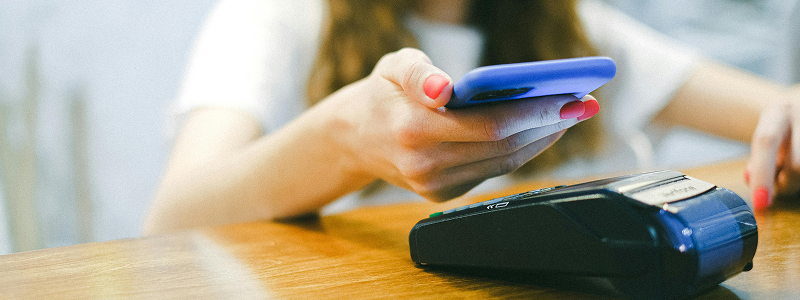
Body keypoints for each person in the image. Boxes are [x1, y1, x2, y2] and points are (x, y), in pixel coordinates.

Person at [143, 0, 800, 235]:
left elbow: (776, 106)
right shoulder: (278, 18)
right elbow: (173, 219)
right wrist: (342, 139)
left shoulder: (570, 24)